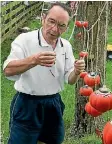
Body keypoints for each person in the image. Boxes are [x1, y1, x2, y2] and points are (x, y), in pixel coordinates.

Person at [3, 2, 85, 144]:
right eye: (51, 21)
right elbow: (8, 70)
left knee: (51, 140)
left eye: (61, 25)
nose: (54, 29)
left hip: (53, 103)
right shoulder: (24, 40)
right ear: (43, 18)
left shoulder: (65, 46)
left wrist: (77, 71)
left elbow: (70, 79)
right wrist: (34, 60)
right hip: (27, 103)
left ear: (66, 28)